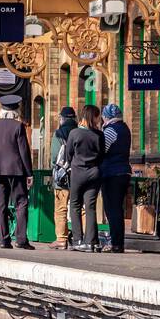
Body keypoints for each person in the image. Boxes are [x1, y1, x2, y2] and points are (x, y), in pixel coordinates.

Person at [0, 94, 33, 249]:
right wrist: (29, 173)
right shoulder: (18, 126)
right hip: (16, 171)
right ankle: (21, 239)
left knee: (1, 206)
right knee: (21, 203)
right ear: (16, 110)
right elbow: (23, 151)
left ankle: (3, 240)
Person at [63, 104, 105, 251]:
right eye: (97, 116)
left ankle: (77, 240)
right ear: (92, 116)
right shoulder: (99, 135)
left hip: (77, 173)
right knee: (90, 206)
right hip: (94, 172)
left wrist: (74, 162)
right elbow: (102, 156)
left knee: (75, 205)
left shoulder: (74, 133)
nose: (98, 119)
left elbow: (68, 154)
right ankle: (91, 242)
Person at [99, 103, 132, 253]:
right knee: (117, 209)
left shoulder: (110, 130)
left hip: (112, 173)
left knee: (112, 210)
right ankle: (118, 242)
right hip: (124, 171)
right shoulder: (125, 128)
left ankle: (116, 243)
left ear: (106, 117)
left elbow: (102, 150)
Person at [50, 106, 78, 250]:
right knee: (80, 208)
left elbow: (55, 157)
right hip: (78, 176)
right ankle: (81, 237)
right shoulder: (80, 131)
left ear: (62, 119)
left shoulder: (58, 133)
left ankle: (61, 239)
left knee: (61, 208)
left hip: (62, 178)